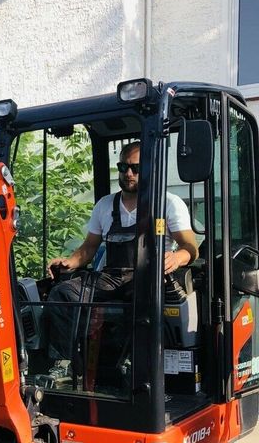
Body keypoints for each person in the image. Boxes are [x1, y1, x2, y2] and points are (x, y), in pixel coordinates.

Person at [45, 141, 198, 366]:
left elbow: (190, 248)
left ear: (149, 169)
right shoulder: (105, 205)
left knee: (141, 305)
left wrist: (176, 258)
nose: (128, 173)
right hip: (110, 277)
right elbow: (88, 248)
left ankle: (133, 365)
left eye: (135, 168)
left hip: (146, 278)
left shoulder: (168, 203)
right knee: (62, 293)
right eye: (123, 167)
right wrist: (69, 262)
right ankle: (68, 363)